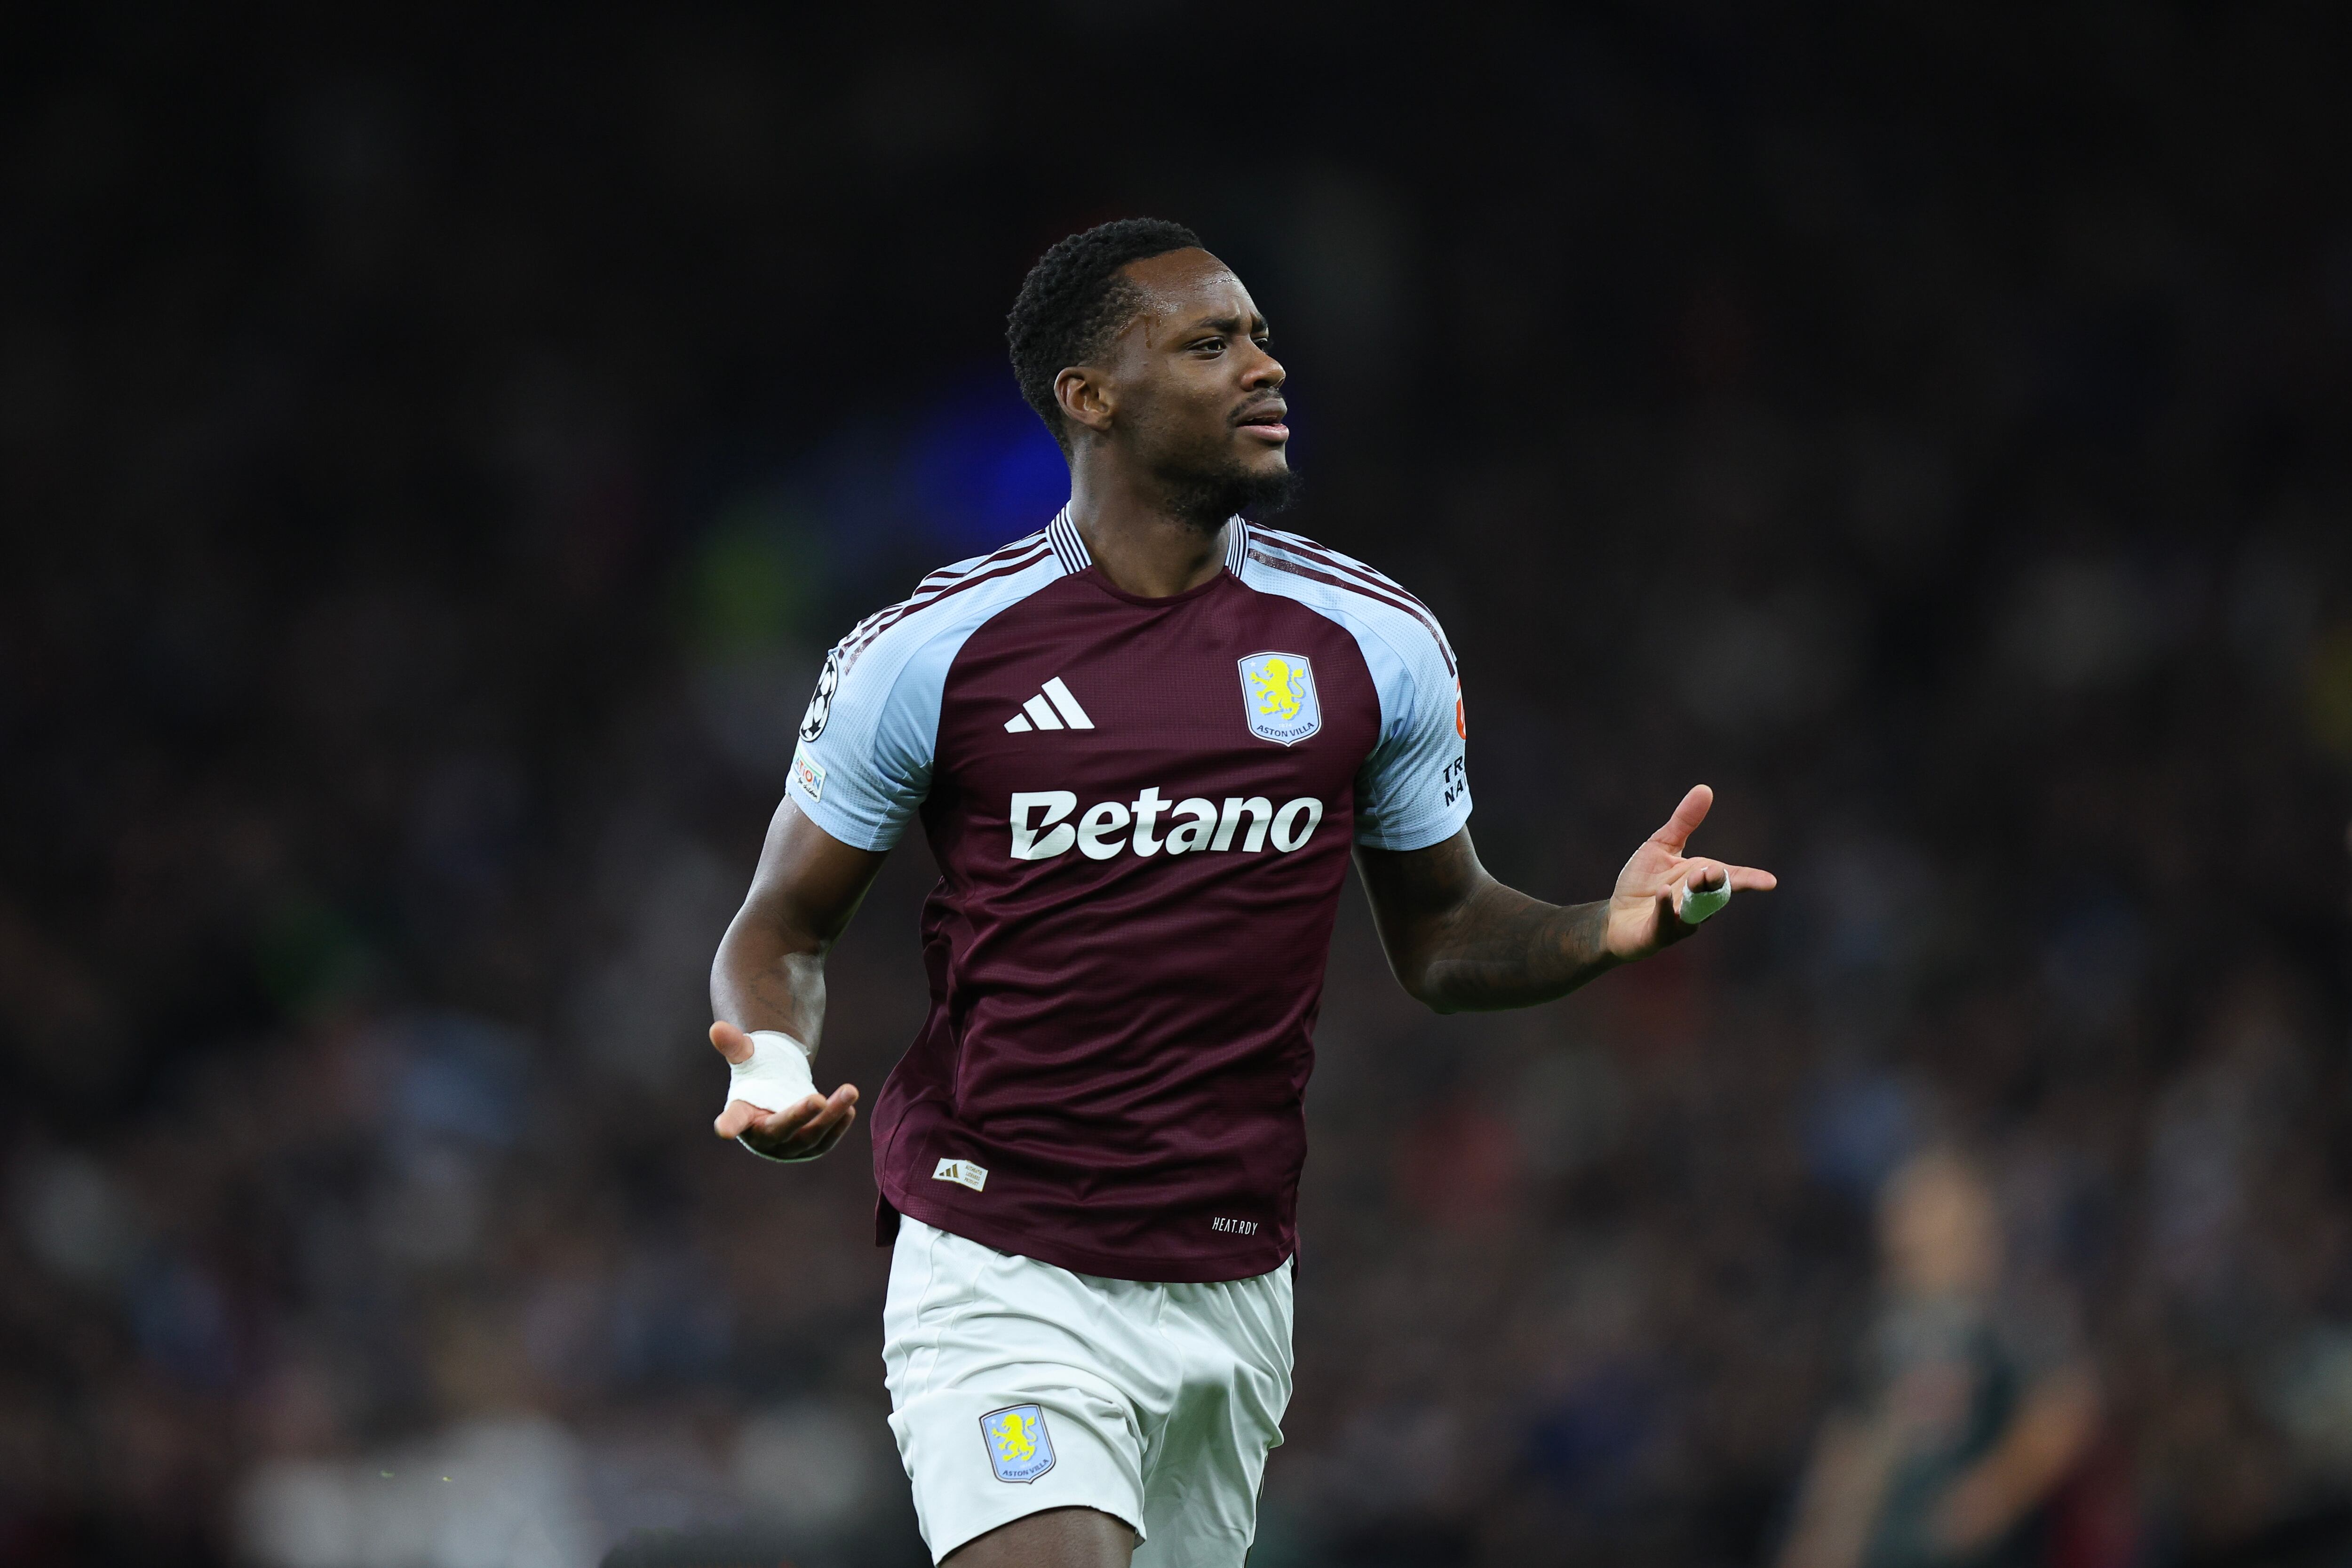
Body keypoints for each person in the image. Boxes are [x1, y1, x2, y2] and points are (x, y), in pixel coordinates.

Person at [705, 217, 1777, 1568]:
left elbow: (1444, 936)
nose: (1266, 367)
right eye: (1211, 343)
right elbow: (780, 926)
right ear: (1089, 397)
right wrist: (775, 1059)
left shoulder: (1370, 642)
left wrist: (1599, 928)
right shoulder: (930, 651)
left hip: (1232, 1276)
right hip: (998, 1252)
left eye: (1262, 336)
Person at [1777, 1147, 2101, 1568]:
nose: (1907, 1229)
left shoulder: (2004, 1321)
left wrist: (1984, 1501)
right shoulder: (1877, 1332)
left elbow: (2066, 1409)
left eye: (1924, 1213)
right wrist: (1820, 1543)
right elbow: (1853, 1448)